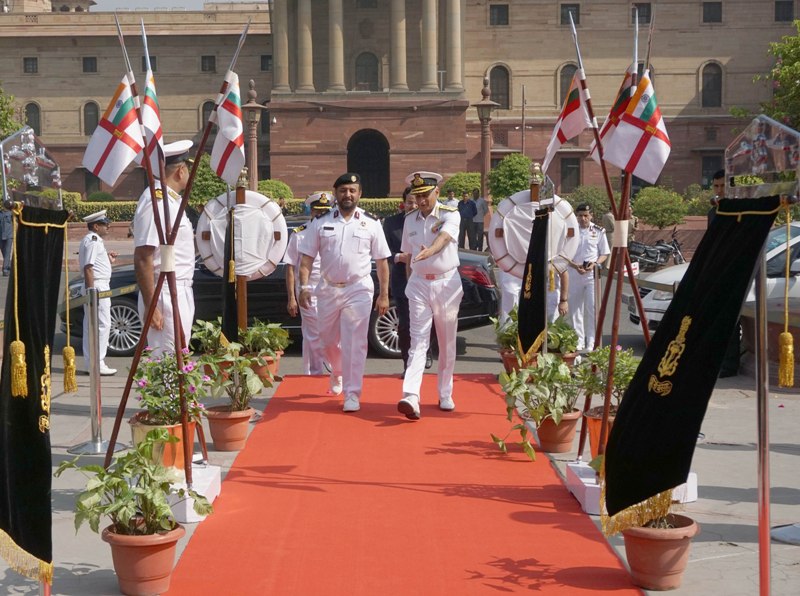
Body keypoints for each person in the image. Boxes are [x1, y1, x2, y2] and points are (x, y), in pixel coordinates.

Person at [298, 172, 391, 413]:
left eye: (352, 190)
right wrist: (304, 287)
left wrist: (384, 294)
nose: (347, 194)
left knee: (355, 342)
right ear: (335, 194)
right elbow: (306, 258)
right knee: (326, 340)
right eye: (343, 191)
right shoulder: (321, 222)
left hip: (358, 288)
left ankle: (352, 393)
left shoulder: (371, 223)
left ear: (359, 194)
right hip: (328, 289)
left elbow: (382, 261)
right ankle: (337, 370)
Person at [397, 171, 462, 420]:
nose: (421, 200)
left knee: (446, 342)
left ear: (437, 192)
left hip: (446, 283)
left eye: (426, 195)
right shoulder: (410, 219)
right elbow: (408, 254)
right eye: (417, 196)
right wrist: (410, 279)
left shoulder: (450, 214)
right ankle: (411, 395)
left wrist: (430, 251)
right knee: (418, 341)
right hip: (419, 284)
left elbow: (444, 238)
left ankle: (445, 392)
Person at [133, 140, 196, 356]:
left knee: (177, 358)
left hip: (178, 289)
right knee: (166, 361)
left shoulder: (171, 201)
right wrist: (152, 306)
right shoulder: (157, 202)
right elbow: (143, 256)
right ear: (180, 171)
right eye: (188, 169)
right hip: (164, 292)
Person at [285, 191, 333, 375]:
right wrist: (291, 297)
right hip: (308, 289)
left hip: (330, 288)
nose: (321, 215)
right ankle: (316, 371)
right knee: (314, 331)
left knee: (324, 331)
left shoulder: (335, 232)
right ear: (311, 212)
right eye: (318, 211)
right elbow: (290, 267)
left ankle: (316, 370)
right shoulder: (300, 234)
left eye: (325, 211)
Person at [79, 210, 118, 375]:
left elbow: (94, 264)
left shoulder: (92, 240)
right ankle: (98, 363)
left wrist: (108, 260)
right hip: (97, 287)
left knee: (91, 326)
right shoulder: (94, 241)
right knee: (102, 325)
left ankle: (91, 363)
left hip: (97, 285)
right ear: (96, 226)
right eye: (105, 224)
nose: (108, 226)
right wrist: (91, 291)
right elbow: (88, 267)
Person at [383, 186, 416, 374]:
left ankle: (426, 350)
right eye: (410, 202)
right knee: (405, 324)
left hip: (425, 278)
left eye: (416, 202)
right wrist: (398, 257)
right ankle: (408, 364)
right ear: (403, 203)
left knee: (429, 322)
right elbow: (383, 252)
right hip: (401, 279)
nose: (413, 206)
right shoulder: (391, 223)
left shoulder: (430, 223)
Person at [568, 203, 610, 351]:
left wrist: (596, 264)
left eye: (586, 215)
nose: (583, 218)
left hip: (591, 274)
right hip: (574, 272)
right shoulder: (570, 230)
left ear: (591, 215)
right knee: (575, 309)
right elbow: (564, 253)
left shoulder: (598, 231)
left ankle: (591, 341)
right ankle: (578, 340)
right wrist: (574, 265)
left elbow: (604, 253)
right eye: (580, 216)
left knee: (592, 308)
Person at [0, 204, 12, 276]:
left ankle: (5, 269)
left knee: (7, 252)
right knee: (4, 252)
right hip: (1, 236)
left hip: (9, 236)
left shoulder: (12, 214)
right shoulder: (0, 213)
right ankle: (9, 265)